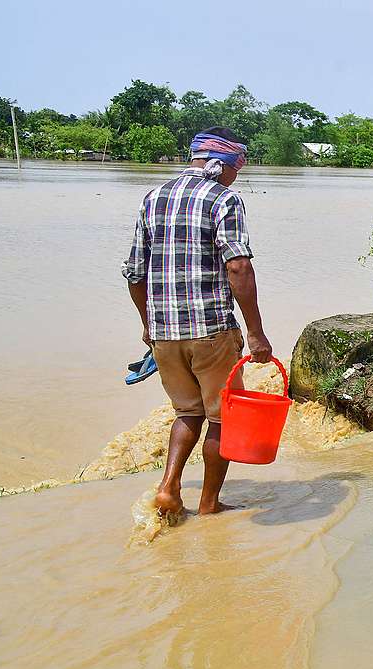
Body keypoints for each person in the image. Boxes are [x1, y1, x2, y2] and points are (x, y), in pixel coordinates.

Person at [122, 127, 273, 516]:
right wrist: (256, 332)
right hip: (210, 330)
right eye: (237, 168)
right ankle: (208, 504)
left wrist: (148, 325)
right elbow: (238, 266)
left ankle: (169, 488)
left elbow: (135, 273)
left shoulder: (153, 198)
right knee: (222, 417)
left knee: (187, 413)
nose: (237, 176)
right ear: (222, 164)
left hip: (164, 334)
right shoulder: (224, 198)